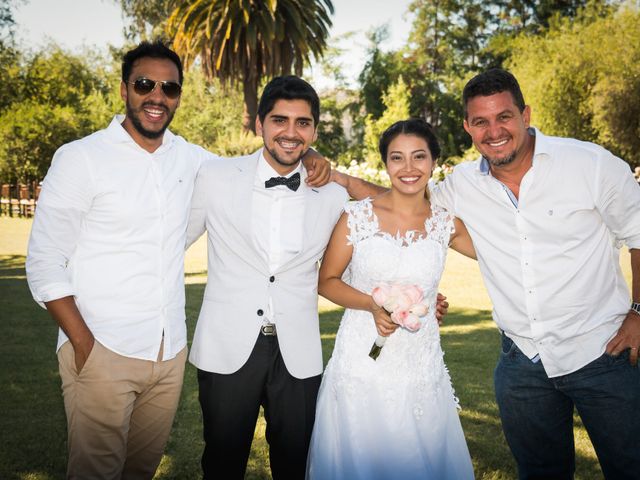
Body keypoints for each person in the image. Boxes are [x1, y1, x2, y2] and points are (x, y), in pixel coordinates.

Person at [25, 42, 330, 479]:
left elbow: (262, 164)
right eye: (145, 84)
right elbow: (44, 264)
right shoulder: (81, 159)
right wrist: (85, 345)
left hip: (168, 354)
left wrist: (308, 155)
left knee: (140, 470)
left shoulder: (194, 160)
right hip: (102, 345)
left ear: (178, 96)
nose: (157, 96)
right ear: (124, 89)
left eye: (169, 88)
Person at [332, 68, 640, 479]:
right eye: (481, 121)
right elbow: (402, 205)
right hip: (521, 364)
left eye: (504, 117)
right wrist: (336, 176)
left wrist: (639, 311)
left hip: (602, 351)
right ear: (468, 128)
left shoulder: (590, 164)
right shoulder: (461, 185)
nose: (494, 131)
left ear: (525, 114)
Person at [186, 75, 349, 479]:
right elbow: (169, 241)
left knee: (296, 465)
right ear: (259, 124)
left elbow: (398, 206)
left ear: (314, 129)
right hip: (226, 348)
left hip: (299, 353)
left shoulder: (332, 194)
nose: (291, 133)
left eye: (303, 123)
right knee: (222, 464)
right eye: (280, 120)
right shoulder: (215, 177)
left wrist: (408, 291)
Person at [306, 119, 476, 479]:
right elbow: (327, 281)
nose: (409, 168)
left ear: (433, 162)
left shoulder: (447, 224)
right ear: (385, 163)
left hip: (420, 366)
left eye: (419, 157)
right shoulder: (356, 217)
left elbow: (502, 253)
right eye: (397, 158)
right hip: (360, 362)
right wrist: (370, 303)